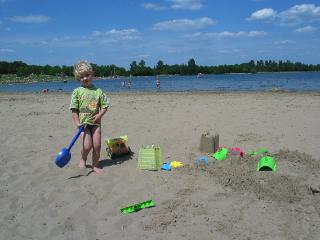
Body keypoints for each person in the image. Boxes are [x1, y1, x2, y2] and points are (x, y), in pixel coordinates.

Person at [70, 60, 109, 174]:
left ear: (93, 74)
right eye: (82, 77)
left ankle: (94, 165)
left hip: (96, 124)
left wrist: (99, 115)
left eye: (87, 75)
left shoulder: (98, 91)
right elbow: (74, 110)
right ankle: (83, 158)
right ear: (78, 79)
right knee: (87, 146)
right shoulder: (77, 91)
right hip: (83, 125)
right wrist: (78, 124)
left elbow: (105, 106)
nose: (85, 78)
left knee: (97, 146)